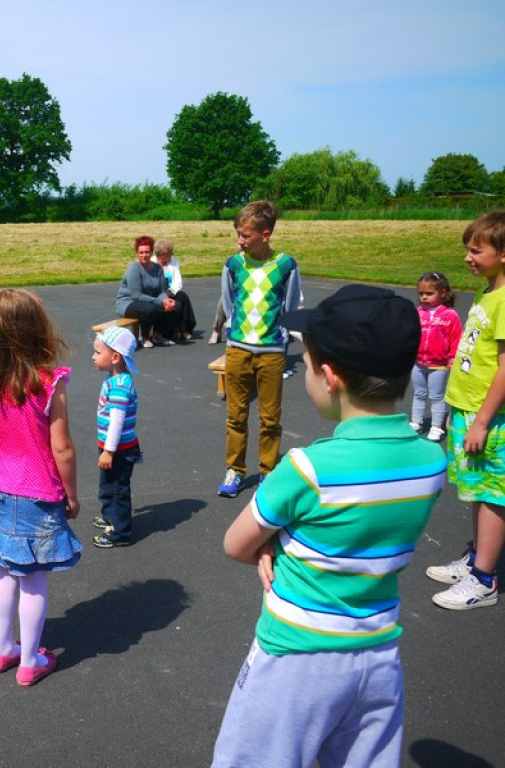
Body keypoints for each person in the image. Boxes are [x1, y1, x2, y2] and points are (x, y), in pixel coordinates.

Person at [212, 284, 447, 768]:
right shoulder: (431, 463)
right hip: (378, 655)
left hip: (296, 657)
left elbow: (236, 544)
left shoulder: (306, 469)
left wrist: (274, 542)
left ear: (329, 376)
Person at [0, 288, 82, 687]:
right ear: (37, 331)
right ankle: (30, 660)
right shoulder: (47, 381)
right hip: (39, 492)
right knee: (33, 579)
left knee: (5, 572)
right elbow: (62, 448)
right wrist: (71, 494)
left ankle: (2, 649)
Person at [426, 212, 505, 611]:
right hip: (469, 410)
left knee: (492, 495)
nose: (467, 258)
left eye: (476, 251)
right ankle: (477, 559)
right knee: (477, 490)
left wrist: (483, 421)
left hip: (488, 418)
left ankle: (485, 580)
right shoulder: (487, 292)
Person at [217, 201, 301, 498]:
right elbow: (229, 303)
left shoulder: (286, 265)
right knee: (235, 416)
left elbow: (290, 306)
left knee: (270, 418)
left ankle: (268, 471)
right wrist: (236, 332)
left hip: (272, 352)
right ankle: (235, 471)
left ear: (265, 235)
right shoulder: (233, 264)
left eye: (245, 235)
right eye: (238, 234)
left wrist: (279, 335)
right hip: (238, 349)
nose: (240, 240)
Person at [90, 326, 142, 548]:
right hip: (112, 447)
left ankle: (120, 532)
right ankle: (110, 516)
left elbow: (117, 423)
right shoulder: (115, 379)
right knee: (108, 484)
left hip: (119, 449)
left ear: (115, 358)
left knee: (118, 488)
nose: (93, 357)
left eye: (97, 352)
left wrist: (109, 452)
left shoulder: (119, 387)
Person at [410, 271, 462, 442]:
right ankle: (416, 422)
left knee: (436, 396)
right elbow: (411, 335)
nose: (424, 297)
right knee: (419, 393)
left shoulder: (450, 315)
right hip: (418, 363)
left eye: (429, 293)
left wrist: (453, 359)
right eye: (421, 293)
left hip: (438, 365)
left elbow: (456, 339)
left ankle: (437, 426)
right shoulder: (417, 313)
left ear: (443, 293)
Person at [116, 235, 178, 348]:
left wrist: (166, 300)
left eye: (147, 252)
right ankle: (145, 337)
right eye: (141, 252)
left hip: (147, 301)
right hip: (128, 303)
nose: (144, 255)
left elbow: (162, 291)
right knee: (150, 309)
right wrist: (161, 302)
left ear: (151, 252)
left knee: (175, 305)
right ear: (137, 253)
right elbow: (136, 296)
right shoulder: (134, 268)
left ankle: (158, 334)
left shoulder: (158, 268)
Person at [152, 237, 197, 341]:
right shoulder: (152, 263)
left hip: (171, 291)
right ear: (162, 254)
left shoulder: (174, 262)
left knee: (182, 296)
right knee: (175, 304)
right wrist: (163, 296)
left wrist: (170, 292)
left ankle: (183, 328)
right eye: (170, 252)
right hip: (157, 294)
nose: (172, 254)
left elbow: (178, 281)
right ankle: (172, 330)